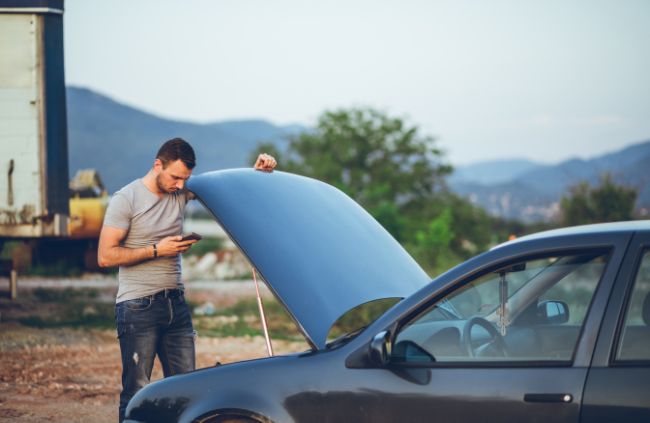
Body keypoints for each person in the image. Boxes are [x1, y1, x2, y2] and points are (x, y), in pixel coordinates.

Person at [97, 138, 276, 422]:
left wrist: (256, 170)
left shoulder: (181, 190)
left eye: (185, 179)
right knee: (135, 389)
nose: (180, 185)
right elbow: (105, 256)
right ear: (158, 164)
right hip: (137, 307)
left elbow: (225, 187)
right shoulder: (126, 198)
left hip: (176, 305)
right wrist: (158, 250)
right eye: (175, 177)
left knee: (187, 390)